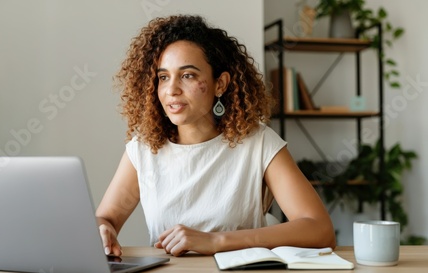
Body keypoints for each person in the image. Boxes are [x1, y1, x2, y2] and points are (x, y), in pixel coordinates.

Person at [96, 14, 336, 257]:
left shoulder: (259, 142)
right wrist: (103, 229)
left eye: (187, 75)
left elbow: (320, 228)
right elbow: (105, 219)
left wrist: (217, 240)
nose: (171, 90)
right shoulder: (144, 149)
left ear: (220, 84)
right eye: (163, 77)